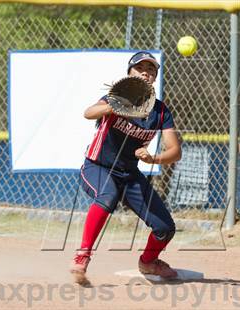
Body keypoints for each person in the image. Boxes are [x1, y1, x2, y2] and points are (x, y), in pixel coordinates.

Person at [70, 51, 182, 284]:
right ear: (129, 73)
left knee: (165, 227)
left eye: (151, 69)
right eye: (140, 68)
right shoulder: (114, 98)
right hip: (97, 167)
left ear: (154, 78)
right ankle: (82, 256)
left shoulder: (160, 111)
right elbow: (88, 113)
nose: (146, 72)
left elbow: (175, 151)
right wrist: (113, 106)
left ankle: (148, 262)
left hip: (130, 175)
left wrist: (154, 159)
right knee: (107, 195)